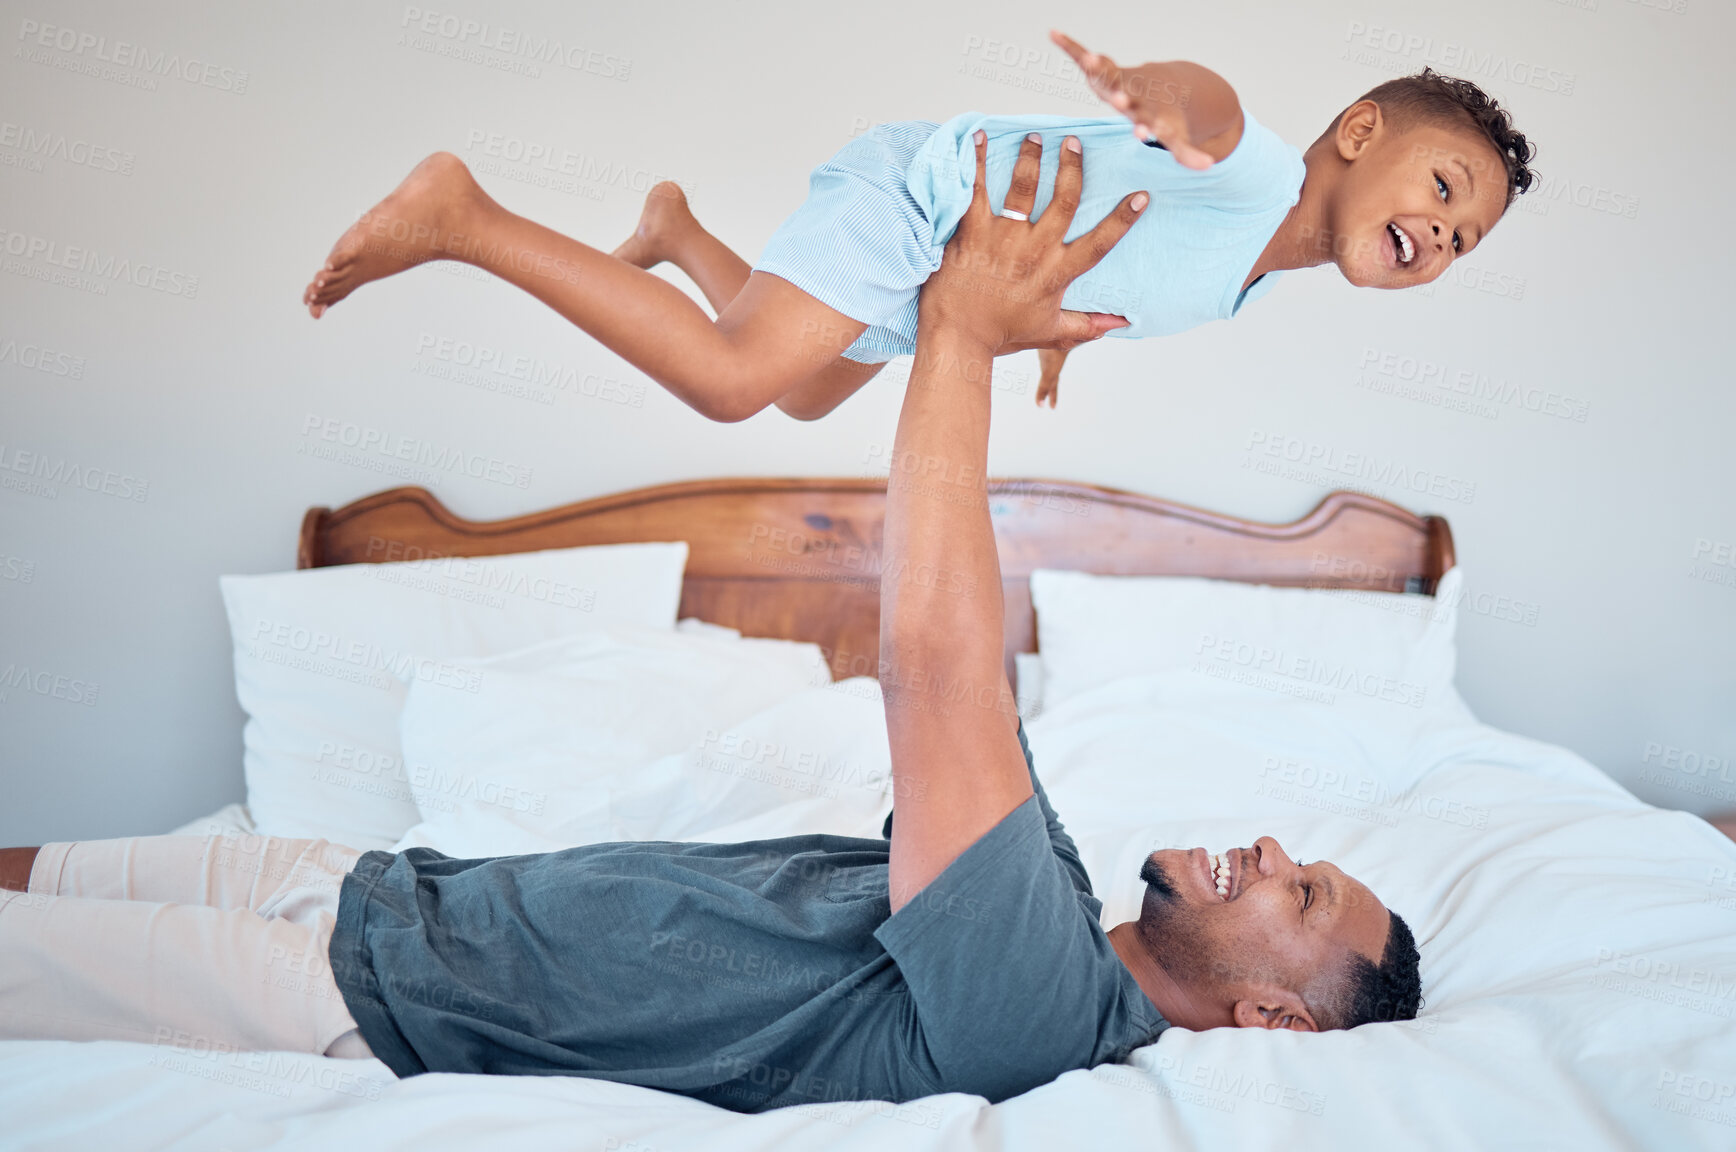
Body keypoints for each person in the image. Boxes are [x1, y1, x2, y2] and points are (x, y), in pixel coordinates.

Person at [3, 133, 1420, 1113]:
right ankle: (676, 243)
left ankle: (491, 217)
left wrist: (968, 340)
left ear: (1275, 1021)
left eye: (1301, 897)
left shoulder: (1042, 1012)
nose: (1276, 855)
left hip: (366, 997)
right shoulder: (1053, 897)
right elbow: (965, 673)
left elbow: (929, 666)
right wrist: (962, 323)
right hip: (395, 892)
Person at [300, 30, 1534, 419]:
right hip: (926, 195)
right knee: (735, 382)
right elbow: (1211, 112)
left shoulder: (1256, 273)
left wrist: (1048, 338)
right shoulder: (1257, 175)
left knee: (805, 392)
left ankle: (676, 229)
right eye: (1443, 190)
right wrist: (1160, 93)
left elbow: (1136, 259)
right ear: (1362, 134)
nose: (1443, 234)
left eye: (1463, 239)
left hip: (963, 263)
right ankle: (464, 215)